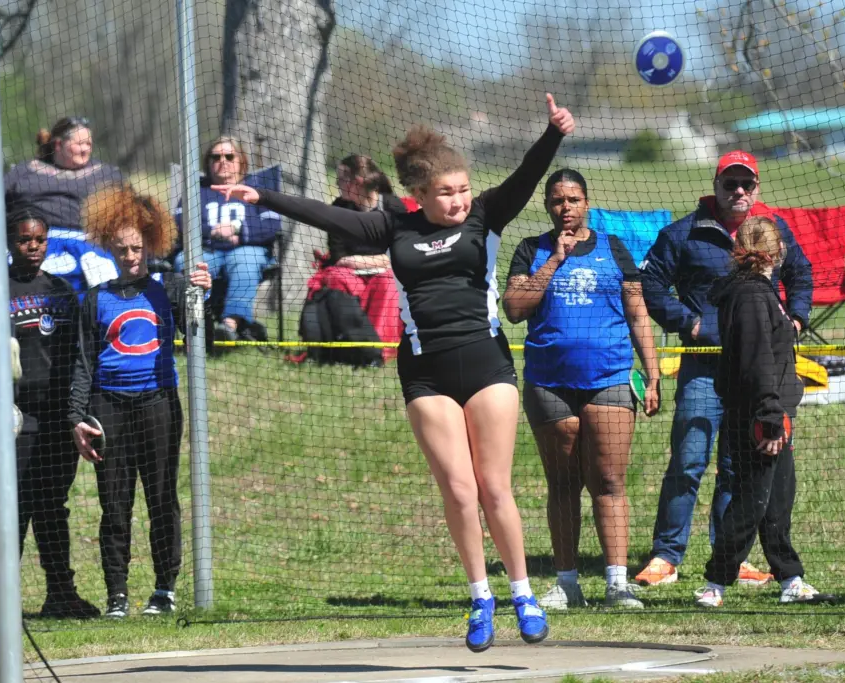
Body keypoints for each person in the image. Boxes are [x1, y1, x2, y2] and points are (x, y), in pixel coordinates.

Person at [213, 93, 576, 653]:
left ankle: (523, 594)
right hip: (425, 374)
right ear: (420, 195)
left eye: (463, 189)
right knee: (460, 490)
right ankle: (480, 597)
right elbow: (327, 215)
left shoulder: (486, 213)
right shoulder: (393, 226)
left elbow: (526, 175)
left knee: (494, 486)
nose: (458, 200)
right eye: (446, 193)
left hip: (488, 365)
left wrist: (553, 133)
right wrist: (262, 195)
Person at [636, 150, 813, 588]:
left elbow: (802, 273)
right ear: (715, 186)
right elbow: (650, 285)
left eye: (746, 184)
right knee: (688, 460)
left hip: (750, 374)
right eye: (729, 183)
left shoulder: (772, 231)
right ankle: (666, 555)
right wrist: (689, 323)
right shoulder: (683, 233)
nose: (738, 191)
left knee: (738, 467)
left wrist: (795, 319)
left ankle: (730, 556)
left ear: (757, 187)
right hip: (703, 365)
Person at [504, 169, 661, 611]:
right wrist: (555, 260)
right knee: (562, 483)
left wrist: (652, 373)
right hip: (549, 384)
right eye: (557, 200)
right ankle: (567, 583)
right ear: (547, 206)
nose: (565, 208)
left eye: (573, 199)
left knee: (609, 481)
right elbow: (514, 308)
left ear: (587, 203)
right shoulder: (531, 250)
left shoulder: (613, 248)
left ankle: (617, 584)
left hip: (609, 378)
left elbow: (637, 313)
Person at [69, 186, 211, 619]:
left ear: (149, 244)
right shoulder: (97, 297)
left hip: (158, 404)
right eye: (121, 249)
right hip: (108, 407)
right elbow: (84, 363)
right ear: (109, 248)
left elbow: (197, 332)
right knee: (114, 504)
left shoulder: (168, 287)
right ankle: (117, 594)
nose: (130, 256)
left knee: (162, 498)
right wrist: (77, 417)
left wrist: (201, 293)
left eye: (136, 248)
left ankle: (164, 589)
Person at [695, 215, 830, 607]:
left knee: (777, 501)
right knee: (750, 502)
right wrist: (770, 419)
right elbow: (757, 362)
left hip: (767, 410)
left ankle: (790, 579)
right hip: (760, 414)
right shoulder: (753, 295)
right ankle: (716, 582)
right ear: (777, 252)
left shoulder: (757, 291)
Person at [5, 200, 99, 618]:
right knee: (15, 505)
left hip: (57, 416)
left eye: (40, 240)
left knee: (52, 505)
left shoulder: (60, 290)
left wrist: (77, 410)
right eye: (25, 240)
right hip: (16, 417)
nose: (33, 247)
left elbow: (77, 355)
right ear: (11, 242)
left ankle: (61, 592)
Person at [174, 136, 280, 342]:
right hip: (206, 250)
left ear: (241, 160)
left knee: (245, 259)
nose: (223, 161)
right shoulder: (196, 190)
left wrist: (237, 230)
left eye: (229, 156)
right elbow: (179, 223)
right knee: (186, 262)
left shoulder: (256, 187)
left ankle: (230, 326)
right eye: (216, 157)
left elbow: (271, 225)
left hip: (247, 250)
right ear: (208, 162)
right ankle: (196, 325)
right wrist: (213, 232)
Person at [4, 117, 124, 297]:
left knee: (104, 279)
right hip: (36, 242)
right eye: (80, 144)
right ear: (58, 144)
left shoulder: (107, 174)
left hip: (90, 245)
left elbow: (127, 212)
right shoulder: (23, 172)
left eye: (89, 144)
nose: (85, 149)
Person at [324, 154, 407, 359]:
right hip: (351, 272)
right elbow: (337, 254)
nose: (337, 184)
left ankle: (377, 350)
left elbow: (402, 251)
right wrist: (375, 260)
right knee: (335, 277)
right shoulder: (339, 207)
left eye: (341, 180)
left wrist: (359, 260)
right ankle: (345, 347)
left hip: (386, 272)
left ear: (357, 183)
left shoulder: (393, 206)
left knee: (387, 282)